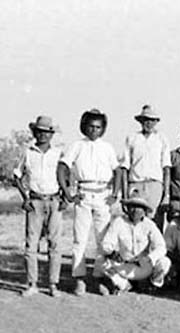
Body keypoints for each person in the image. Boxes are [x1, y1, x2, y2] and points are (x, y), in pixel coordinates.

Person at [57, 109, 122, 296]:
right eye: (91, 127)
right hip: (83, 195)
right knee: (80, 239)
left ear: (103, 129)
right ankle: (79, 279)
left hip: (103, 195)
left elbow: (117, 171)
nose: (94, 130)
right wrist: (68, 193)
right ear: (84, 127)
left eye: (98, 127)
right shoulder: (77, 145)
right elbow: (63, 167)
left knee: (103, 239)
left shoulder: (107, 147)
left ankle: (100, 277)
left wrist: (115, 194)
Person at [13, 116, 64, 297]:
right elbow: (17, 175)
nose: (43, 135)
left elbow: (65, 175)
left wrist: (65, 196)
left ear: (52, 135)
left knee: (55, 244)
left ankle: (52, 284)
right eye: (40, 131)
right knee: (31, 244)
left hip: (54, 201)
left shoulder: (58, 153)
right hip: (35, 201)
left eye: (47, 132)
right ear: (35, 133)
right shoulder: (28, 153)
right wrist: (25, 198)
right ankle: (32, 283)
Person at [101, 194, 171, 294]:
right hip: (124, 266)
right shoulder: (118, 222)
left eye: (139, 208)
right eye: (132, 207)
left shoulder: (149, 225)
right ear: (127, 208)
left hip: (144, 267)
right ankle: (125, 285)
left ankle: (152, 285)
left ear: (144, 211)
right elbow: (106, 243)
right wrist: (113, 254)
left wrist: (149, 258)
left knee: (165, 262)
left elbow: (161, 247)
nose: (135, 211)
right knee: (102, 261)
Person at [121, 105, 171, 218]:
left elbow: (166, 169)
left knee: (155, 222)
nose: (149, 123)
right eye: (146, 120)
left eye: (152, 120)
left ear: (156, 122)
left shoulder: (161, 139)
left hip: (155, 186)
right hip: (136, 185)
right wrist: (124, 196)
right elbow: (125, 168)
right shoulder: (132, 138)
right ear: (141, 121)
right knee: (136, 221)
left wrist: (166, 195)